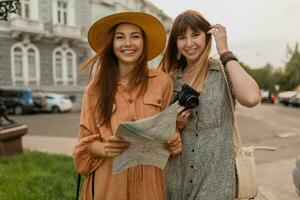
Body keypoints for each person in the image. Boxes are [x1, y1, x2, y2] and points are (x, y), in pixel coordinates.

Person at [73, 12, 182, 200]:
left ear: (144, 42)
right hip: (109, 184)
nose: (128, 43)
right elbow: (84, 146)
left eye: (135, 36)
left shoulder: (163, 82)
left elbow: (169, 130)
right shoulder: (95, 88)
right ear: (111, 44)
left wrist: (174, 140)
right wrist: (104, 148)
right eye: (120, 37)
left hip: (150, 184)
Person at [159, 10, 260, 199]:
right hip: (176, 180)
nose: (189, 43)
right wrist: (176, 127)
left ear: (207, 36)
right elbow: (160, 134)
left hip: (217, 180)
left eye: (195, 35)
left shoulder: (224, 72)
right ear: (175, 43)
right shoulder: (170, 79)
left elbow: (252, 98)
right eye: (182, 37)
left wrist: (225, 51)